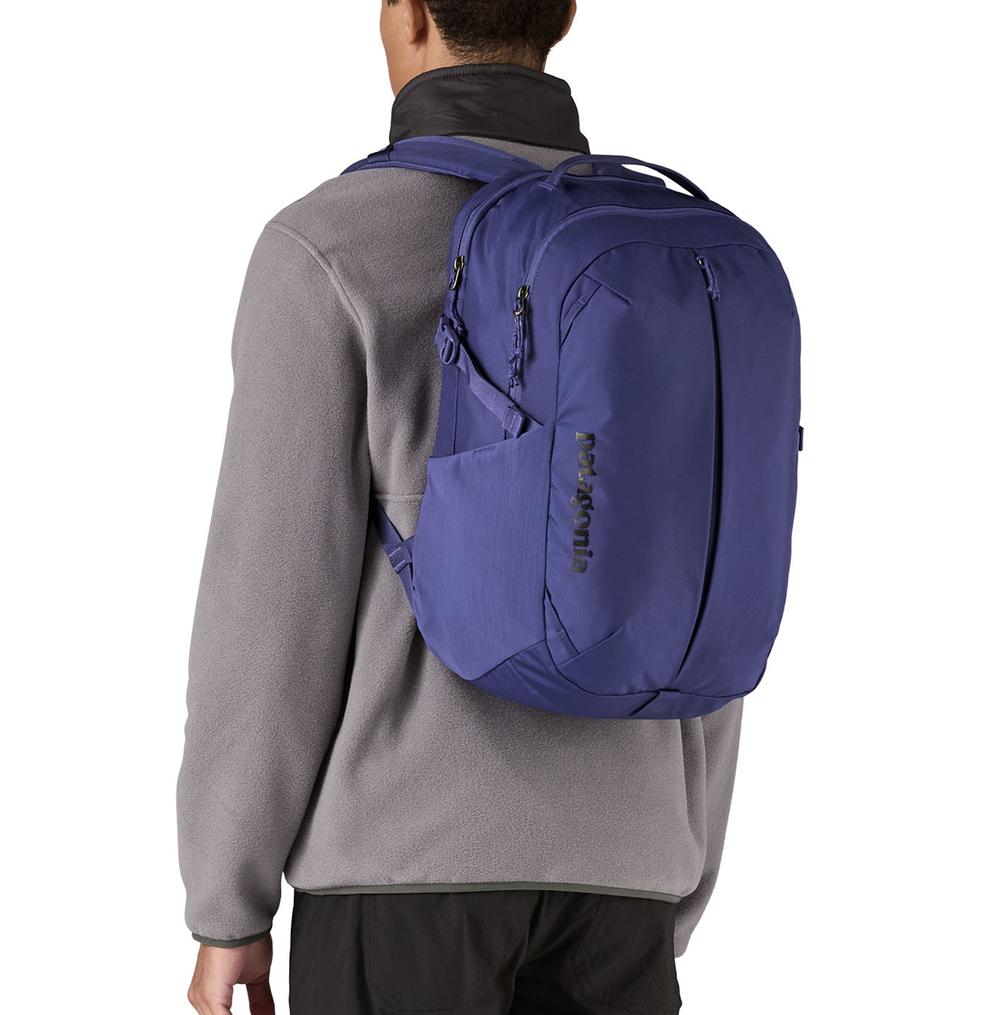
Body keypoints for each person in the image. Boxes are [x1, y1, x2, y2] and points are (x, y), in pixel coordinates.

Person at [179, 2, 743, 1012]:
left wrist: (229, 904)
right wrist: (675, 865)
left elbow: (269, 606)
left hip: (401, 872)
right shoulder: (675, 258)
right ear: (562, 15)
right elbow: (701, 589)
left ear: (406, 15)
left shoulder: (331, 246)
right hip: (627, 874)